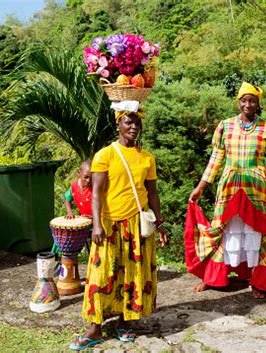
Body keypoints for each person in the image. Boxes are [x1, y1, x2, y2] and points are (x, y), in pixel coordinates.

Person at [186, 82, 266, 299]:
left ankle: (259, 280)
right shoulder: (225, 126)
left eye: (252, 100)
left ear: (258, 104)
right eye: (244, 100)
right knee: (224, 228)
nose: (248, 104)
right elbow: (216, 159)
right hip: (230, 186)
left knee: (259, 230)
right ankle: (213, 277)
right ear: (238, 102)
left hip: (258, 189)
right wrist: (201, 186)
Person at [69, 104, 168, 350]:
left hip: (137, 225)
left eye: (137, 122)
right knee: (101, 275)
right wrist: (97, 225)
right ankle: (94, 328)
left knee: (133, 275)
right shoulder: (105, 155)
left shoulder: (147, 158)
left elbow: (153, 192)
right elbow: (96, 194)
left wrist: (160, 222)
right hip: (110, 225)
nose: (134, 126)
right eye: (128, 122)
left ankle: (125, 322)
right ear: (118, 124)